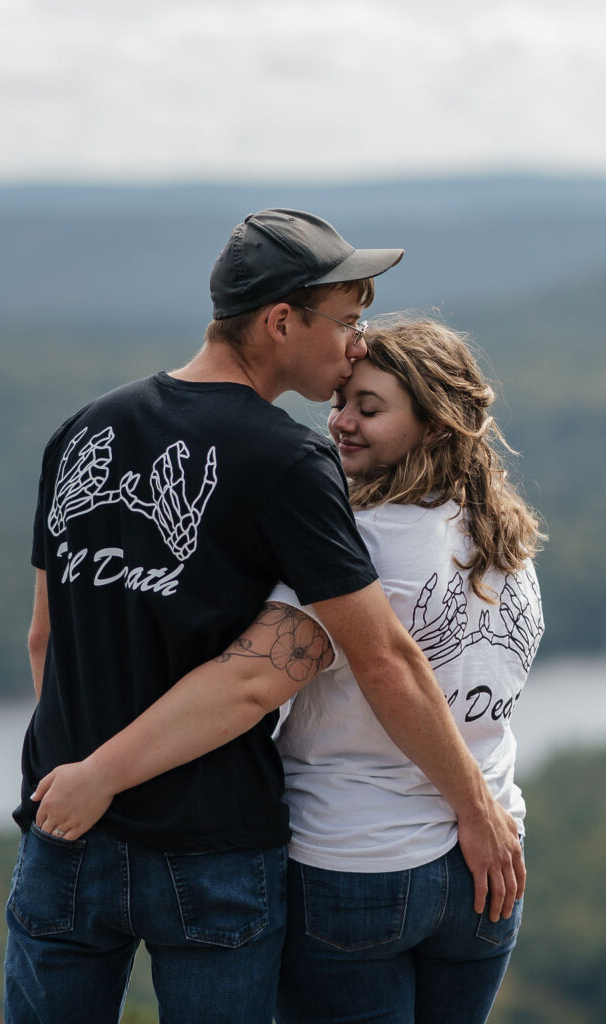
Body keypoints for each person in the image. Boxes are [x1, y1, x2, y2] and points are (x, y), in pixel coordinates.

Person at [6, 209, 524, 1024]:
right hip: (212, 848)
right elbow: (371, 659)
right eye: (347, 321)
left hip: (66, 823)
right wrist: (476, 807)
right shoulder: (287, 458)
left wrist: (87, 773)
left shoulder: (82, 430)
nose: (356, 342)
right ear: (281, 321)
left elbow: (45, 639)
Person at [272, 317, 544, 1023]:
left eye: (369, 408)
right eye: (340, 404)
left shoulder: (350, 545)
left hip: (355, 860)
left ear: (433, 422)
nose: (340, 423)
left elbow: (251, 681)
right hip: (487, 867)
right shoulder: (505, 540)